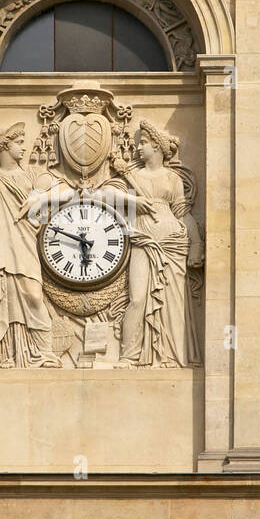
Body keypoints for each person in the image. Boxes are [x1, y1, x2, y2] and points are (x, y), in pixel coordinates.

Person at [88, 120, 203, 367]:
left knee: (174, 299)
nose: (139, 148)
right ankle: (129, 355)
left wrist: (196, 245)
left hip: (172, 242)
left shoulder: (172, 178)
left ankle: (173, 355)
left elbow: (183, 213)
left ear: (158, 148)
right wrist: (134, 202)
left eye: (144, 143)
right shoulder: (133, 176)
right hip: (142, 241)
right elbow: (102, 194)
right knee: (137, 298)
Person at [0, 122, 66, 368]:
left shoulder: (31, 175)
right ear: (5, 147)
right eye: (18, 143)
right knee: (0, 298)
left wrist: (40, 198)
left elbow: (65, 190)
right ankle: (3, 355)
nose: (23, 148)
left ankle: (42, 353)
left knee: (33, 295)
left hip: (24, 244)